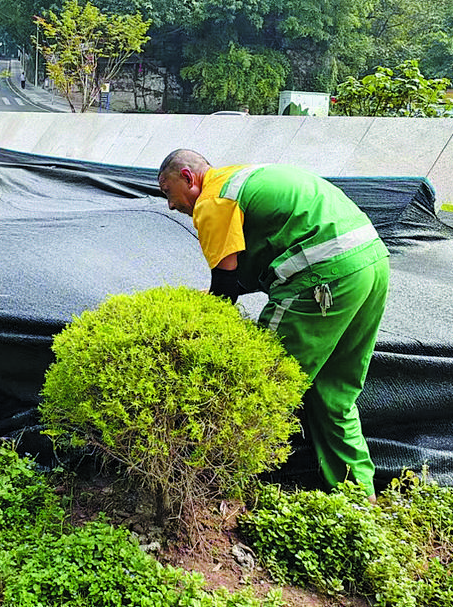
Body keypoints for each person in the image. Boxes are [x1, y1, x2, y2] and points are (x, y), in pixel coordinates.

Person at [157, 150, 390, 501]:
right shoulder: (243, 178)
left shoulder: (213, 200)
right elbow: (248, 270)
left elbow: (225, 289)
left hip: (323, 278)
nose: (171, 206)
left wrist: (195, 326)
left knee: (261, 381)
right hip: (371, 264)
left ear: (189, 178)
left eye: (168, 192)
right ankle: (359, 500)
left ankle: (216, 490)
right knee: (333, 395)